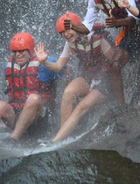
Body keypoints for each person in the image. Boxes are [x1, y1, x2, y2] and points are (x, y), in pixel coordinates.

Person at [67, 0, 140, 106]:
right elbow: (86, 27)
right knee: (114, 65)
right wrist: (72, 26)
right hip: (130, 32)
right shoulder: (94, 0)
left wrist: (117, 22)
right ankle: (121, 108)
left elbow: (135, 18)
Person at [36, 12, 115, 142]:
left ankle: (56, 142)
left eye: (68, 30)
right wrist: (43, 62)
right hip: (89, 77)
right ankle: (62, 135)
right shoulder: (69, 44)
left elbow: (114, 62)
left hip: (105, 81)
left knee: (80, 108)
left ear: (77, 27)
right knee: (68, 93)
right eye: (62, 33)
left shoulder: (97, 38)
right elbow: (58, 67)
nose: (65, 35)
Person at [0, 33, 63, 144]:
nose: (18, 55)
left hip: (39, 121)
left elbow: (67, 70)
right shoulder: (8, 66)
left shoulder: (44, 64)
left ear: (30, 50)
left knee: (33, 98)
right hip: (17, 116)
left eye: (21, 51)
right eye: (15, 52)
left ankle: (13, 139)